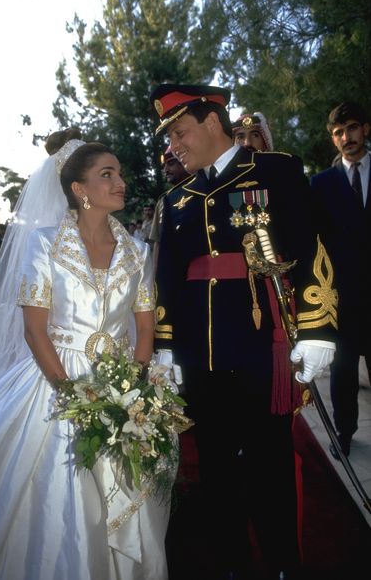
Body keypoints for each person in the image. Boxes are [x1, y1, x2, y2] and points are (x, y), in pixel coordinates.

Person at [149, 83, 338, 580]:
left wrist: (317, 329)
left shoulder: (275, 171)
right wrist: (165, 348)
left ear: (212, 122)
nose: (174, 148)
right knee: (214, 470)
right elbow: (166, 279)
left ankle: (282, 564)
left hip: (259, 349)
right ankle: (231, 564)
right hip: (200, 357)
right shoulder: (177, 199)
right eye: (170, 141)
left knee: (269, 466)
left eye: (180, 134)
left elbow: (310, 248)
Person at [0, 128, 173, 580]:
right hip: (54, 378)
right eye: (108, 174)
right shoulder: (43, 243)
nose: (120, 182)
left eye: (120, 173)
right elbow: (34, 330)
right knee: (55, 499)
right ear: (79, 190)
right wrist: (74, 396)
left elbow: (145, 326)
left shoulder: (138, 249)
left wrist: (134, 391)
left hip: (123, 378)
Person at [310, 101, 371, 459]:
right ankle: (344, 433)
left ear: (365, 128)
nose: (346, 137)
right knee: (343, 372)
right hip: (343, 299)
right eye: (338, 132)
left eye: (351, 127)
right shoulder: (322, 184)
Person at [149, 145, 192, 271]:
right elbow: (158, 243)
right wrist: (155, 276)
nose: (166, 169)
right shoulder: (163, 200)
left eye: (171, 163)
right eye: (164, 166)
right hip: (171, 269)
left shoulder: (203, 192)